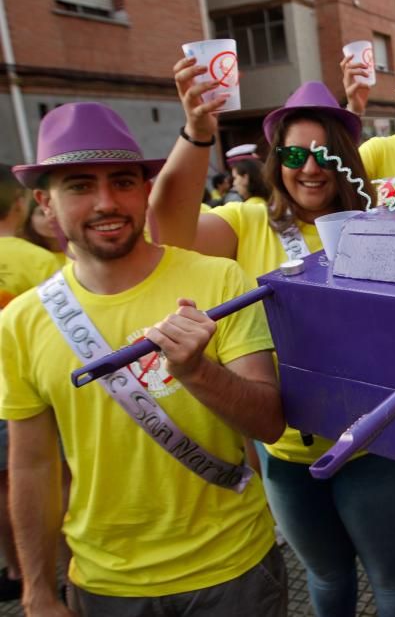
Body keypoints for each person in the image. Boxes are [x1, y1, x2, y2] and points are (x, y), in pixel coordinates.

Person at [150, 60, 395, 617]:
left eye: (324, 155)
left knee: (393, 576)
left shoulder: (383, 221)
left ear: (345, 162)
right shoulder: (248, 222)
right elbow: (166, 227)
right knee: (324, 578)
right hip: (285, 452)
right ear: (278, 162)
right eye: (295, 154)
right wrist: (198, 132)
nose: (309, 169)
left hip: (376, 442)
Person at [0, 102, 286, 617]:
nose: (107, 202)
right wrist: (37, 589)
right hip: (105, 582)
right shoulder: (21, 322)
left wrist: (198, 373)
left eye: (124, 182)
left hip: (233, 566)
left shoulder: (217, 280)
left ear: (146, 189)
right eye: (81, 185)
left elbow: (268, 422)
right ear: (45, 201)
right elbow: (33, 465)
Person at [0, 165, 63, 603]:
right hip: (33, 389)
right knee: (52, 477)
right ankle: (61, 567)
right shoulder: (36, 260)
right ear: (23, 203)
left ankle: (14, 569)